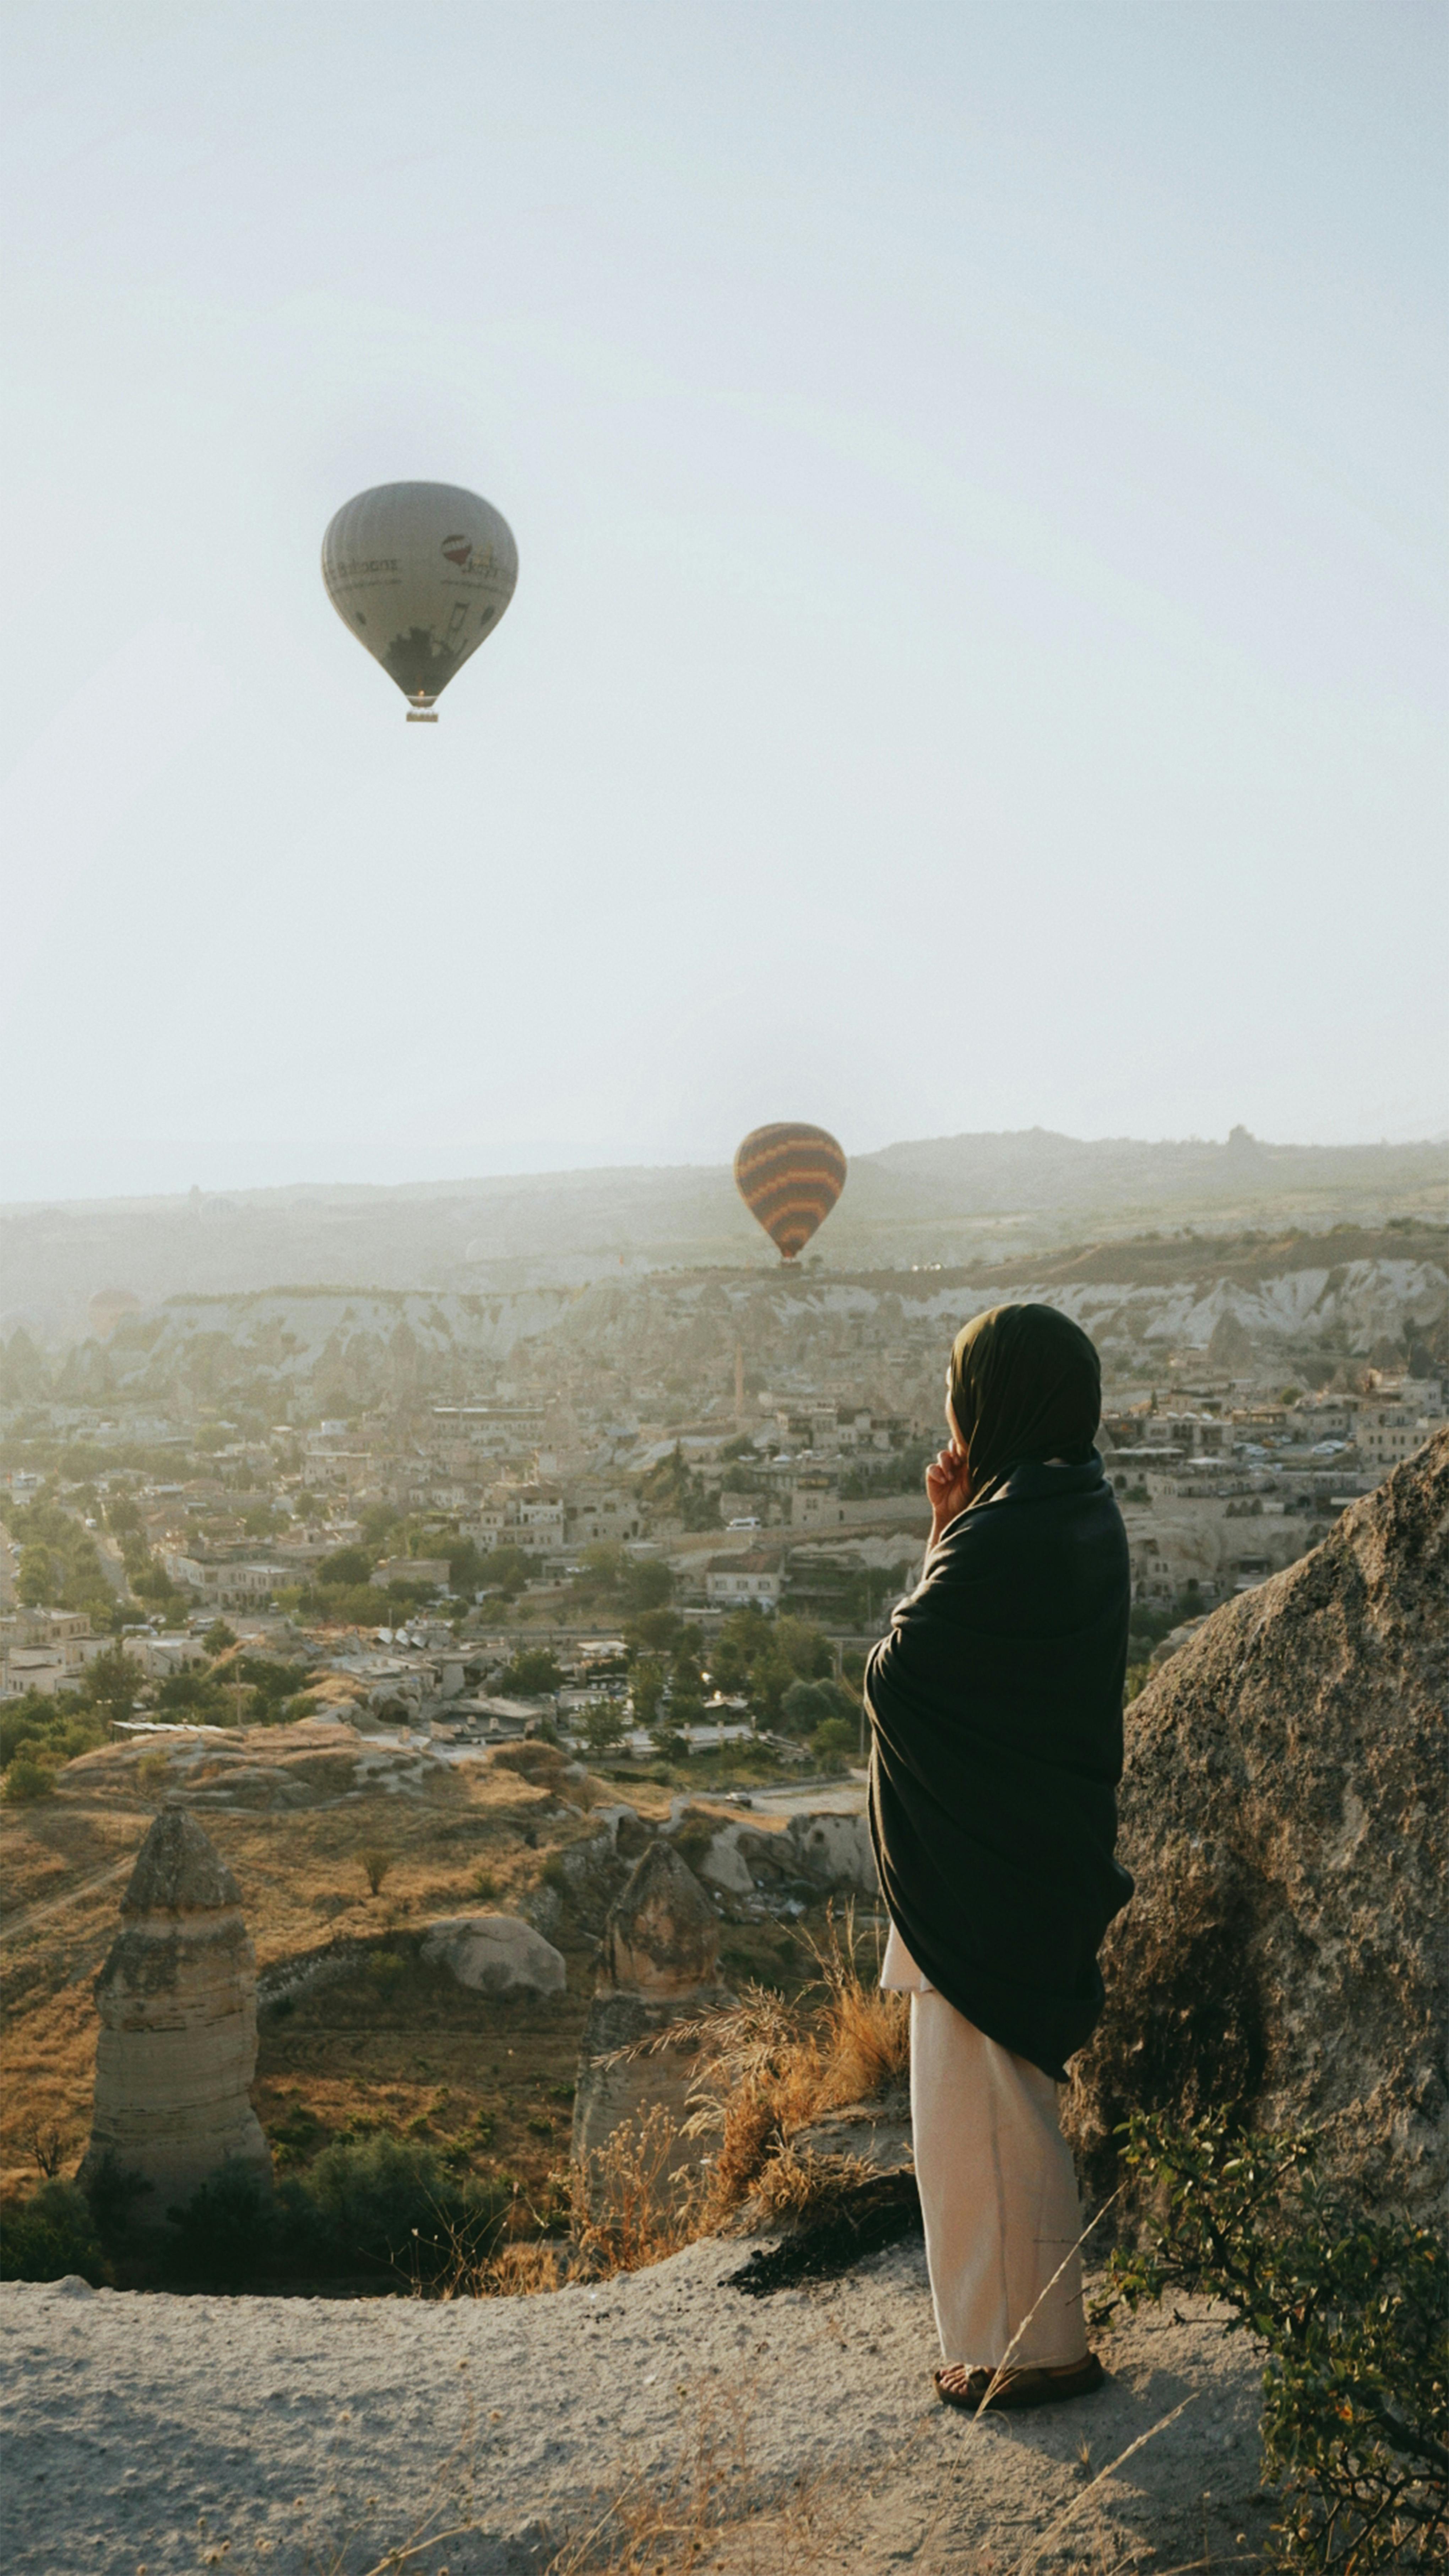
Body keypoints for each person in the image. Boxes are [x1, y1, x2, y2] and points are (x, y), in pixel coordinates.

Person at [865, 1301, 1131, 2413]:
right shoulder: (1071, 1501)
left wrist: (945, 1538)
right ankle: (1019, 2340)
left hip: (984, 1872)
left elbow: (901, 1670)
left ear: (996, 1398)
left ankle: (1028, 2355)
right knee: (994, 2113)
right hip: (1020, 1854)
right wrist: (951, 1526)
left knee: (981, 2122)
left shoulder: (1012, 1527)